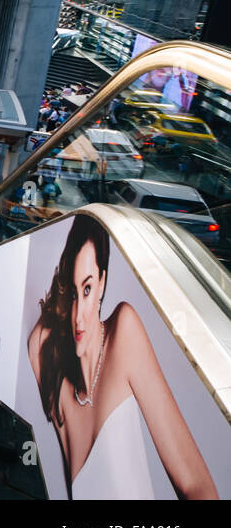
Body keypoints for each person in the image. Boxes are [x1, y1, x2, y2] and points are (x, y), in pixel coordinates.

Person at [26, 213, 217, 499]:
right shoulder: (47, 360)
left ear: (103, 282)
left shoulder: (123, 333)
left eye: (88, 288)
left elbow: (198, 488)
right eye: (74, 292)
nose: (78, 317)